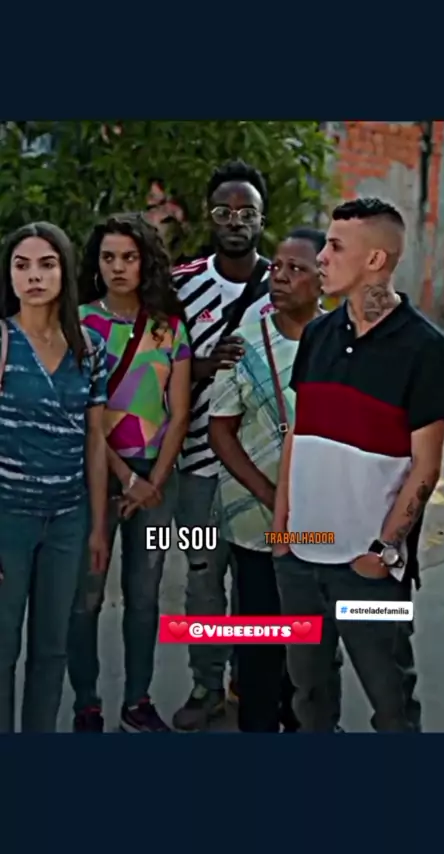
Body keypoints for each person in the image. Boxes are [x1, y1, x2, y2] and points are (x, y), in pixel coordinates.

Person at [272, 197, 444, 732]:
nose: (321, 257)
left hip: (370, 570)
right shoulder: (317, 335)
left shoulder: (426, 349)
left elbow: (426, 467)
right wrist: (281, 532)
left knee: (391, 700)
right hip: (300, 560)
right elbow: (298, 435)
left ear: (376, 259)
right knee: (309, 694)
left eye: (335, 246)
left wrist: (383, 551)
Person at [208, 228, 345, 732]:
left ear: (322, 279)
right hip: (257, 521)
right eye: (277, 267)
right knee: (260, 640)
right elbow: (220, 430)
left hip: (323, 523)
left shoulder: (345, 343)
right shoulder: (244, 342)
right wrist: (271, 498)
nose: (280, 277)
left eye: (296, 269)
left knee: (313, 641)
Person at [68, 212, 191, 733]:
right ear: (96, 264)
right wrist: (127, 478)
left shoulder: (169, 327)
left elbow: (179, 412)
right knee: (87, 595)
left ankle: (137, 701)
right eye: (108, 257)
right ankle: (87, 703)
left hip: (157, 479)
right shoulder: (77, 324)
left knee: (144, 596)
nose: (118, 267)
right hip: (94, 474)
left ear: (146, 263)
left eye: (129, 257)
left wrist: (154, 481)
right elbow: (81, 415)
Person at [171, 160, 274, 731]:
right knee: (203, 577)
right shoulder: (182, 282)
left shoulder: (284, 283)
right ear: (209, 218)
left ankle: (248, 680)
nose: (235, 221)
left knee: (259, 585)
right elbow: (156, 367)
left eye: (246, 212)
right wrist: (204, 366)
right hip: (195, 466)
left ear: (262, 219)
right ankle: (205, 684)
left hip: (261, 468)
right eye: (223, 211)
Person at [0, 222, 108, 733]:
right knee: (2, 649)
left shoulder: (89, 347)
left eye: (46, 265)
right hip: (8, 518)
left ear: (64, 271)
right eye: (22, 266)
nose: (34, 277)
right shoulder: (2, 340)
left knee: (52, 649)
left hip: (68, 519)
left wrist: (98, 526)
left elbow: (95, 439)